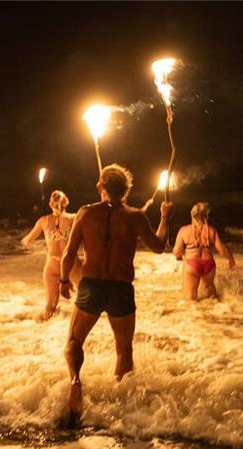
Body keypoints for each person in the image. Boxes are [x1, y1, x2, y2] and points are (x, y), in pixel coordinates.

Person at [59, 164, 172, 427]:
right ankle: (121, 407)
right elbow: (158, 246)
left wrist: (64, 280)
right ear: (126, 191)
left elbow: (68, 254)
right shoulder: (136, 216)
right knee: (124, 349)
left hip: (92, 285)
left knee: (74, 341)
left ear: (100, 187)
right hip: (121, 288)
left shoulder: (86, 214)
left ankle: (75, 381)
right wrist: (165, 217)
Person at [21, 190, 83, 321]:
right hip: (71, 265)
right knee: (87, 300)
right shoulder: (74, 218)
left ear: (50, 204)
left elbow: (27, 241)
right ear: (66, 203)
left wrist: (46, 242)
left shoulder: (43, 221)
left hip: (52, 265)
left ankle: (36, 326)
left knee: (50, 306)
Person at [172, 202, 235, 301]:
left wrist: (179, 256)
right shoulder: (211, 230)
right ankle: (218, 313)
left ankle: (198, 315)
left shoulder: (184, 230)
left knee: (190, 299)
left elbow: (176, 252)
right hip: (209, 264)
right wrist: (231, 259)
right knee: (211, 297)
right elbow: (222, 250)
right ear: (206, 216)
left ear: (192, 215)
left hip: (192, 264)